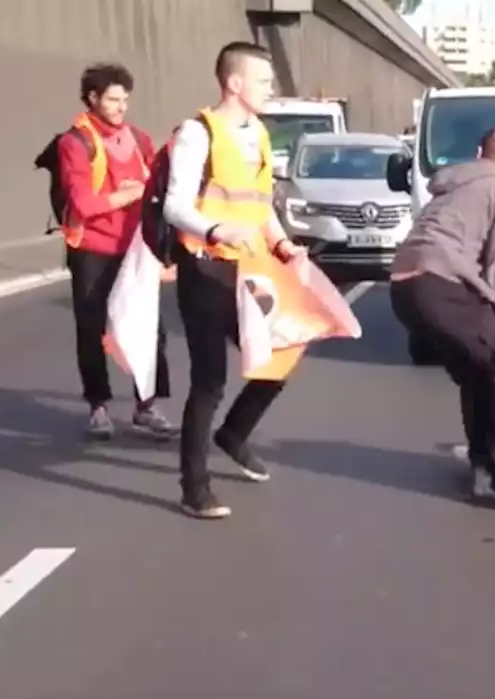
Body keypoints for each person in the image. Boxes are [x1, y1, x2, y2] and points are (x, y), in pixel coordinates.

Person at [163, 41, 304, 520]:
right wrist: (217, 229)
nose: (271, 88)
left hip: (252, 269)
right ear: (235, 83)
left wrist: (283, 244)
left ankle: (234, 434)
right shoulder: (197, 133)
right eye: (264, 80)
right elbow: (175, 204)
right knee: (209, 380)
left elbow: (261, 205)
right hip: (205, 267)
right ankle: (194, 490)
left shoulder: (260, 134)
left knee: (279, 357)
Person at [389, 127, 495, 509]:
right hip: (442, 286)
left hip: (404, 289)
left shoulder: (451, 187)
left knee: (477, 373)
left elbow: (472, 261)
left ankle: (483, 470)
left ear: (477, 153)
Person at [50, 63, 175, 440]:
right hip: (92, 249)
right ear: (92, 99)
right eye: (113, 100)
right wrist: (131, 193)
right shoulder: (74, 143)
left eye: (125, 100)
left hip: (136, 249)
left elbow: (159, 188)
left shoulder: (138, 139)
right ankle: (98, 407)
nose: (121, 107)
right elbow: (84, 204)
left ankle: (147, 405)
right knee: (91, 330)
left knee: (150, 328)